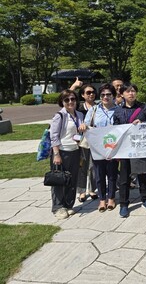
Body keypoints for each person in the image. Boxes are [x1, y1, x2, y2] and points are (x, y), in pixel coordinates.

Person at [113, 83, 146, 218]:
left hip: (141, 147)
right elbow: (115, 129)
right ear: (122, 94)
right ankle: (124, 204)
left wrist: (143, 124)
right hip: (126, 148)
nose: (131, 93)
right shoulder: (118, 111)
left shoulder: (144, 108)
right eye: (128, 91)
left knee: (144, 174)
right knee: (125, 177)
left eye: (133, 91)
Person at [49, 89, 85, 219]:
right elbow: (53, 136)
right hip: (62, 151)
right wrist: (56, 154)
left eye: (73, 99)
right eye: (67, 100)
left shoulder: (79, 115)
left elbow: (80, 134)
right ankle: (58, 207)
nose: (70, 102)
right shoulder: (60, 115)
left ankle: (69, 204)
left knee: (72, 179)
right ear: (62, 102)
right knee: (59, 180)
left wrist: (83, 129)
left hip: (75, 150)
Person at [84, 84, 119, 212]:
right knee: (99, 174)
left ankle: (111, 198)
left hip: (113, 146)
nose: (105, 97)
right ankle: (102, 199)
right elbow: (86, 124)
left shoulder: (118, 109)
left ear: (113, 96)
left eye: (108, 94)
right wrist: (83, 126)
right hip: (97, 147)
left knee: (112, 173)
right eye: (103, 95)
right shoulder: (94, 110)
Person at [76, 84, 98, 203]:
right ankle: (82, 191)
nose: (91, 94)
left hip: (96, 141)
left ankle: (93, 189)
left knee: (94, 166)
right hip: (82, 141)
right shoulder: (79, 108)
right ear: (83, 95)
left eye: (93, 92)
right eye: (88, 92)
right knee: (82, 165)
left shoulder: (99, 107)